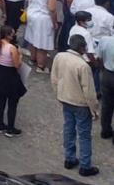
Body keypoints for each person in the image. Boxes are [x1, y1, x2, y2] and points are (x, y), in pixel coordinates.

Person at [52, 33, 102, 176]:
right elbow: (89, 92)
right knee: (84, 135)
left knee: (69, 129)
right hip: (80, 104)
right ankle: (85, 166)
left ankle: (69, 158)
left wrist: (58, 95)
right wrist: (95, 110)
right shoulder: (83, 66)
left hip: (65, 99)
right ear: (82, 47)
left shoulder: (59, 57)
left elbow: (54, 78)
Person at [0, 24, 25, 137]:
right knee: (12, 103)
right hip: (10, 76)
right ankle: (10, 128)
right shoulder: (12, 48)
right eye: (12, 34)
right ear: (8, 35)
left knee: (1, 100)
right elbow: (17, 65)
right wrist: (20, 57)